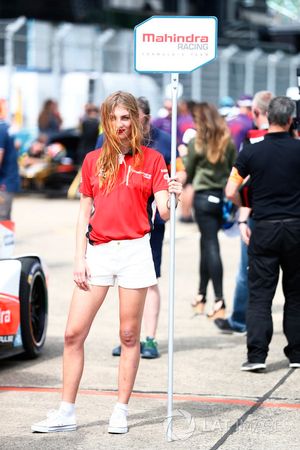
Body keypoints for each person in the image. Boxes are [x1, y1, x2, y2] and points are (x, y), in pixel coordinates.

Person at [31, 91, 182, 434]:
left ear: (136, 121)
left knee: (129, 335)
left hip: (135, 253)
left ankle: (121, 410)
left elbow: (163, 214)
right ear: (106, 122)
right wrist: (79, 258)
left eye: (125, 117)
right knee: (72, 334)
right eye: (113, 118)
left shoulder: (155, 160)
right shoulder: (92, 160)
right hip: (98, 251)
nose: (120, 125)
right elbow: (84, 211)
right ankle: (66, 411)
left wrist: (173, 192)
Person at [95, 96, 186, 359]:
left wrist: (172, 189)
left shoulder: (162, 141)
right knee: (122, 282)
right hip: (114, 227)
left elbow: (177, 170)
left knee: (149, 280)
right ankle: (127, 334)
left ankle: (149, 338)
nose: (132, 123)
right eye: (119, 118)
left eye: (134, 118)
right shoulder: (107, 140)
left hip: (151, 223)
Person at [225, 96, 300, 372]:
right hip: (295, 227)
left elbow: (230, 190)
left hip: (264, 229)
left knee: (260, 296)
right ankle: (297, 353)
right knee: (295, 295)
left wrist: (245, 208)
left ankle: (257, 355)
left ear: (267, 117)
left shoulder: (250, 152)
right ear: (291, 119)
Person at [214, 90, 274, 334]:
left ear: (255, 112)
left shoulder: (252, 139)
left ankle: (240, 319)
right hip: (288, 215)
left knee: (246, 270)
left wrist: (242, 207)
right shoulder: (293, 138)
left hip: (255, 212)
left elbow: (235, 185)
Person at [183, 102, 236, 319]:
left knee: (210, 245)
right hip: (221, 198)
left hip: (203, 198)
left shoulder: (197, 142)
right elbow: (235, 169)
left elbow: (190, 170)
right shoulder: (228, 143)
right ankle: (201, 296)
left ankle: (219, 300)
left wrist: (184, 155)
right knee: (206, 243)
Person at [0, 115, 20, 221]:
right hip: (9, 179)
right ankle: (7, 237)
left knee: (2, 217)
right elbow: (17, 144)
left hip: (4, 182)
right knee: (5, 218)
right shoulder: (5, 126)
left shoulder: (1, 129)